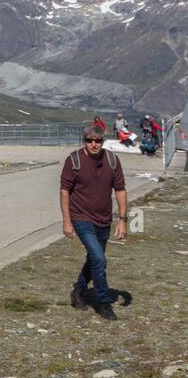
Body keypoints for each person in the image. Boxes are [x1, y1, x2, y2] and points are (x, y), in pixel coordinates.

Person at [61, 128, 128, 320]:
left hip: (104, 219)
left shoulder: (112, 161)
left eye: (97, 140)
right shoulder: (74, 161)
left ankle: (78, 291)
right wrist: (67, 221)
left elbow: (120, 190)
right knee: (99, 259)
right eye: (89, 140)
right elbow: (64, 190)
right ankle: (104, 303)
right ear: (84, 141)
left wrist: (123, 221)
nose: (93, 144)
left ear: (103, 141)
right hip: (81, 218)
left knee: (94, 260)